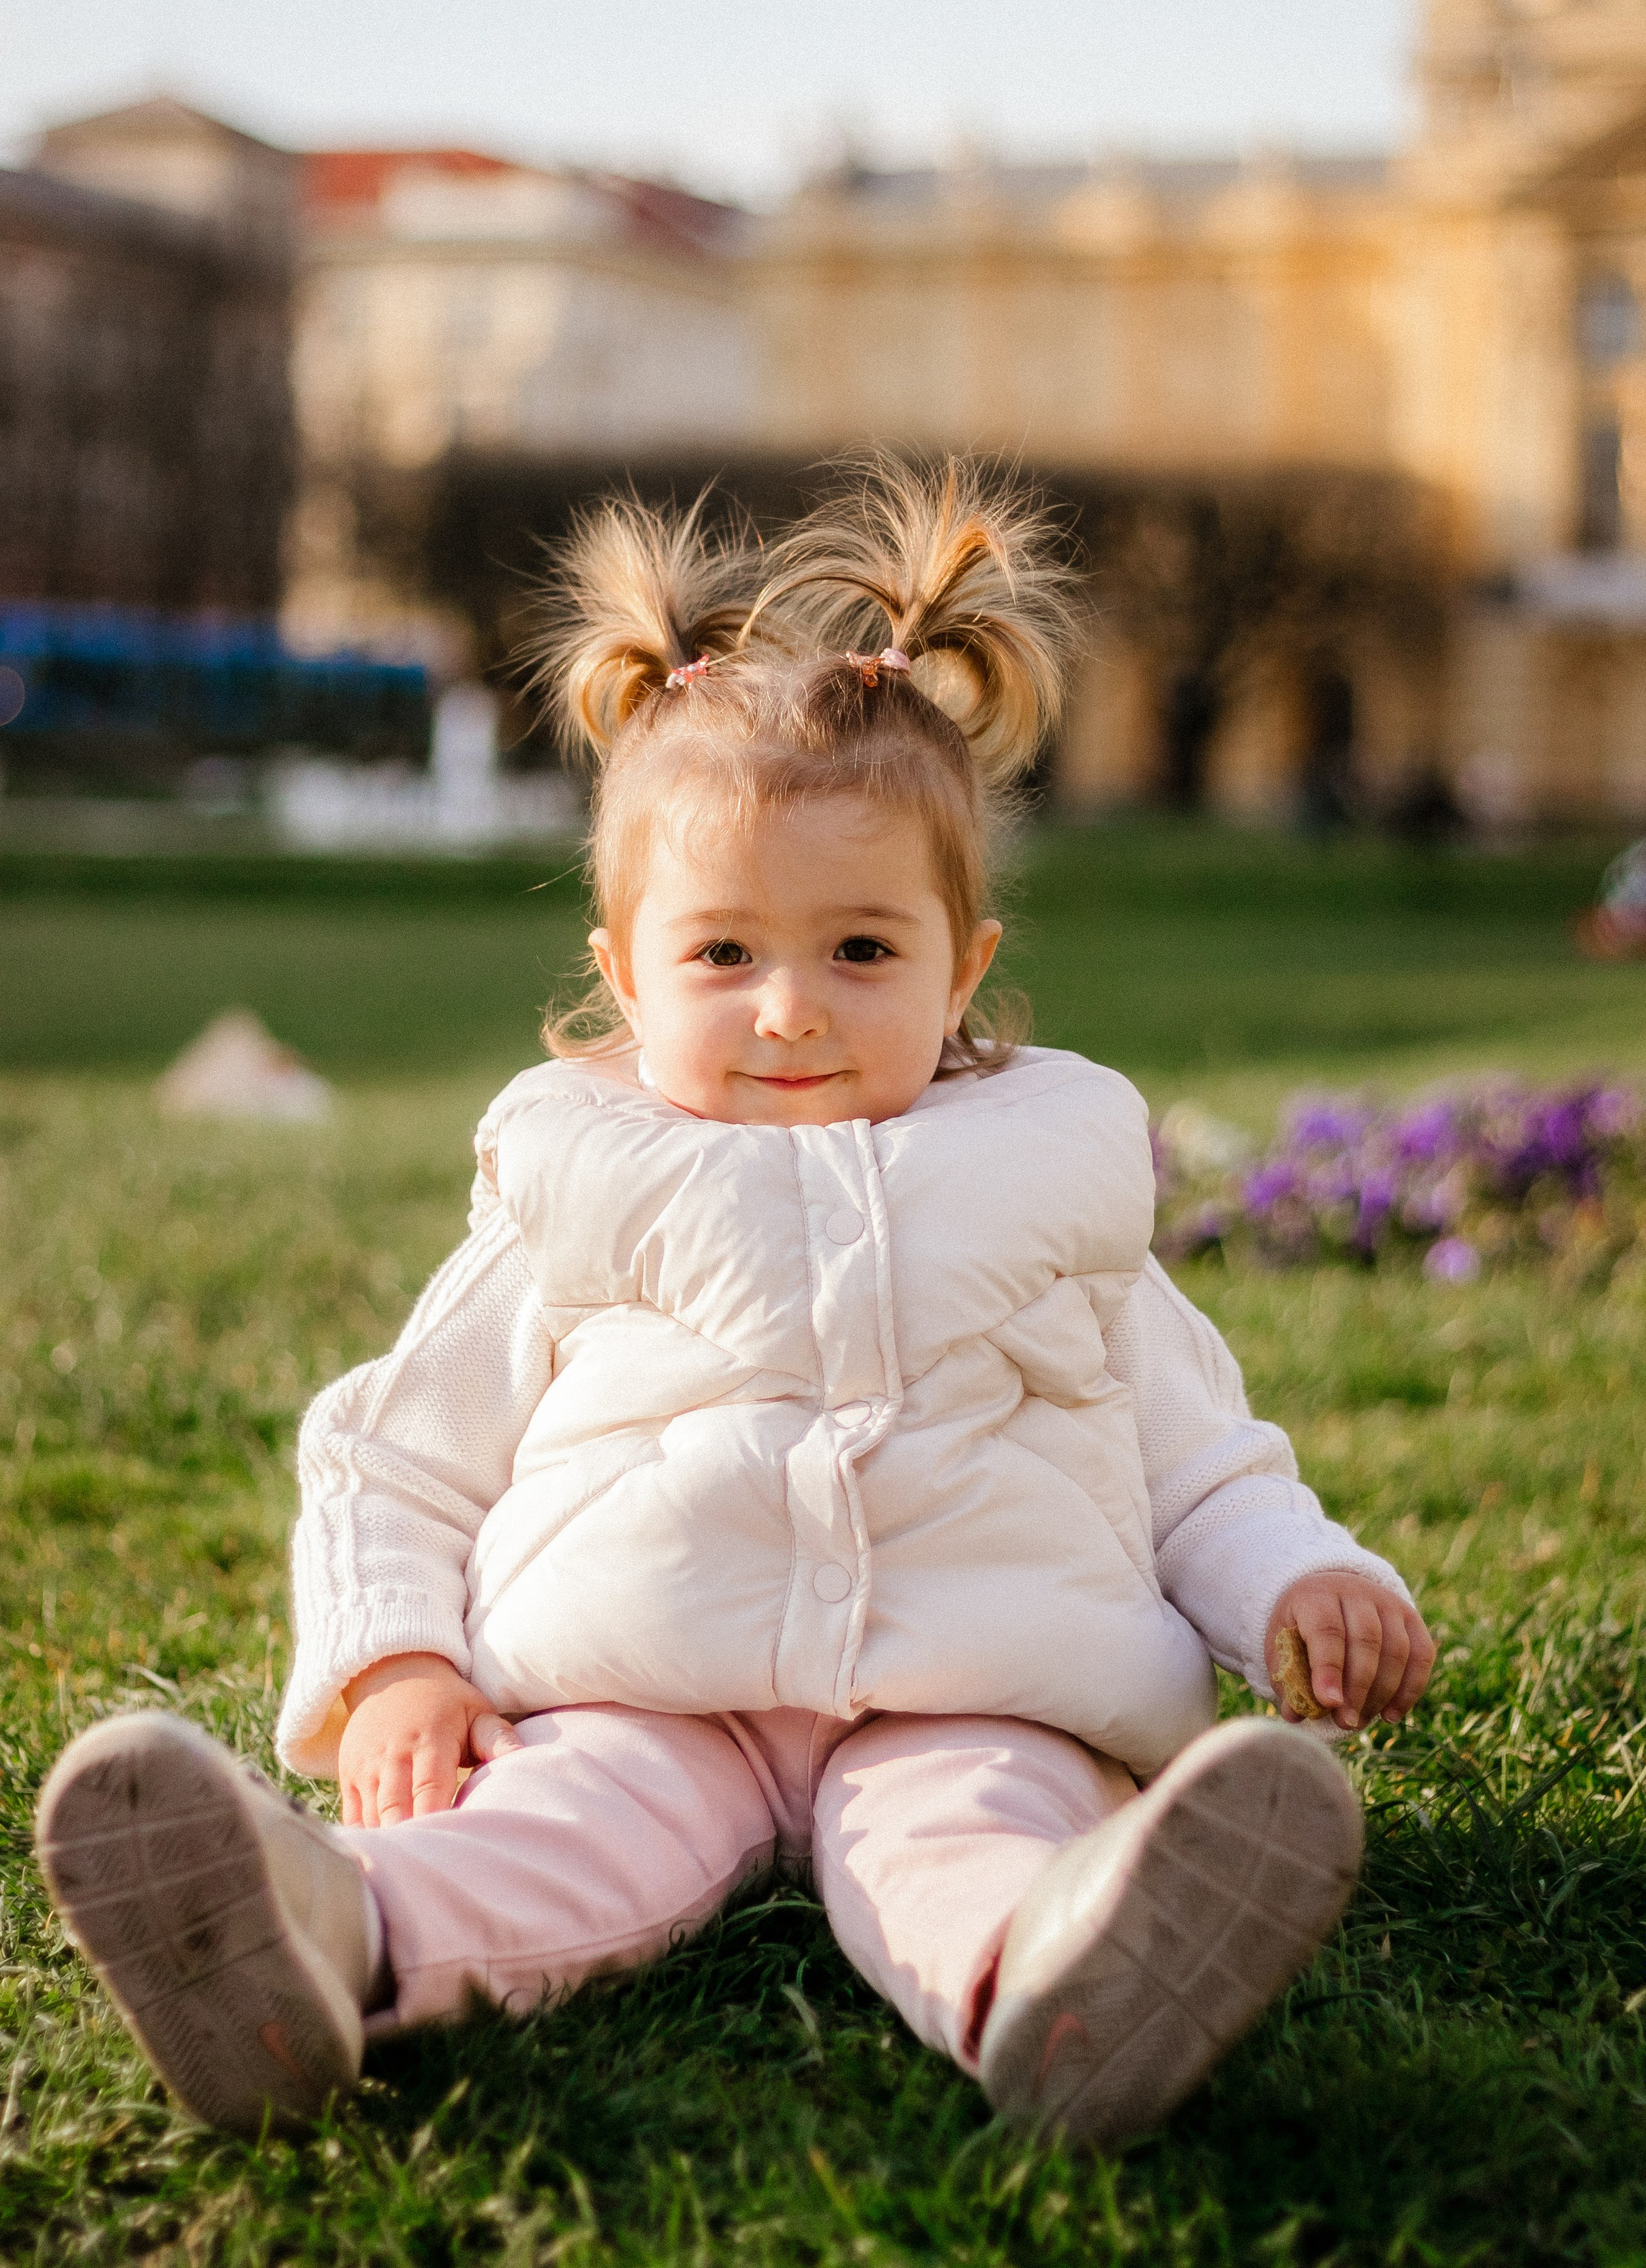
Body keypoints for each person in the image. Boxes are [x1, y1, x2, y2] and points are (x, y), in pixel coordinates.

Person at [37, 460, 1434, 2147]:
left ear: (961, 964)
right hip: (639, 1680)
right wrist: (394, 1662)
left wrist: (1301, 1576)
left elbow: (1198, 1451)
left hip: (972, 1676)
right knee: (549, 1837)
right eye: (722, 957)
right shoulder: (578, 1175)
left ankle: (1061, 1974)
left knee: (968, 1833)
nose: (790, 1011)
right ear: (624, 972)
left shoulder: (1050, 1177)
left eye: (860, 952)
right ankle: (323, 1934)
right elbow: (394, 1453)